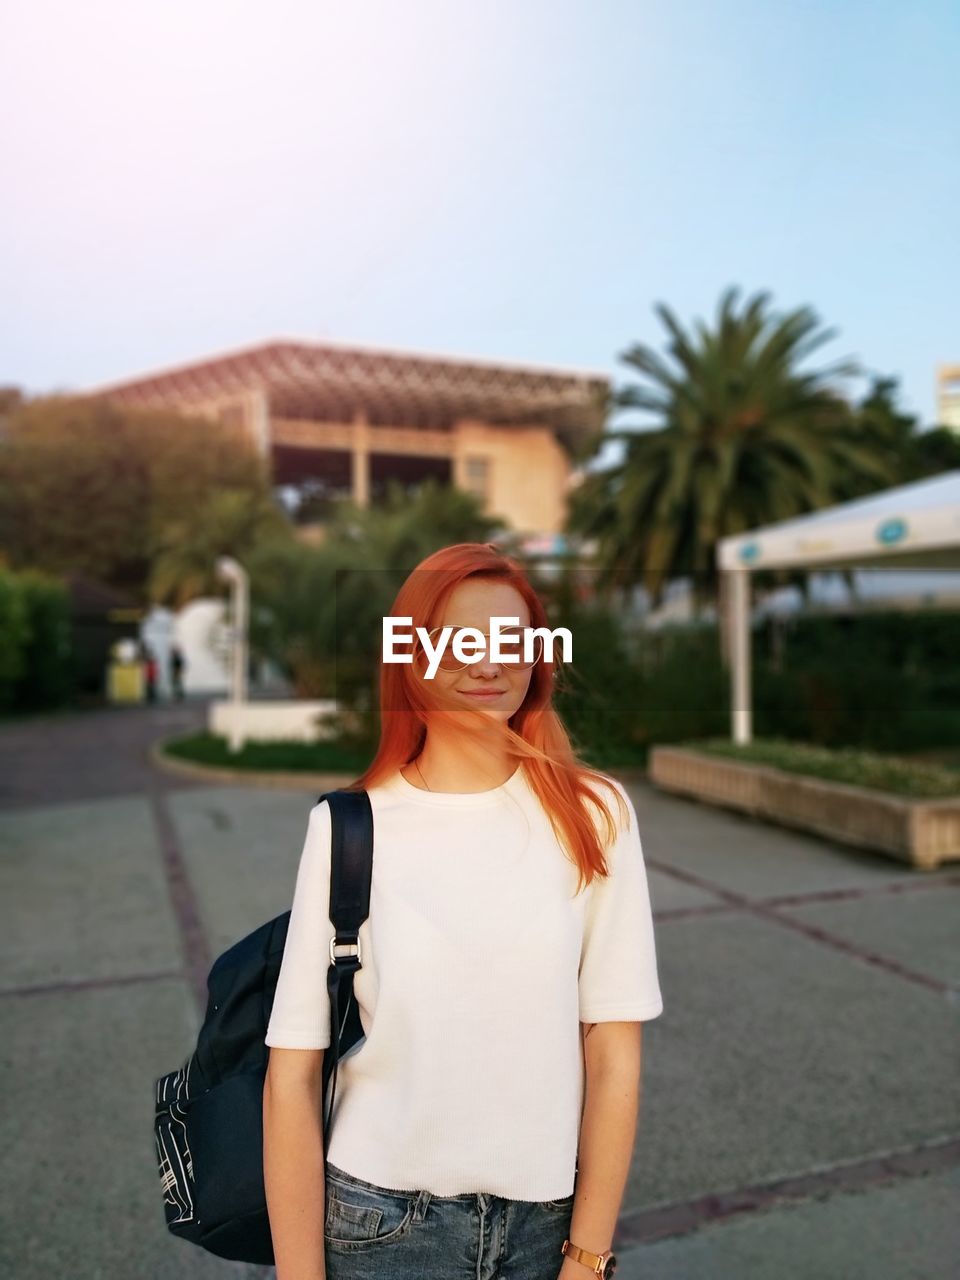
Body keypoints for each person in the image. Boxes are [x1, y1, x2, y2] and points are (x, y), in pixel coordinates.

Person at [262, 542, 663, 1280]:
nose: (488, 662)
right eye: (458, 639)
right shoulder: (352, 826)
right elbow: (291, 1071)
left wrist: (587, 1258)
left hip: (549, 1227)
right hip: (379, 1225)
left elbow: (613, 1051)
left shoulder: (595, 815)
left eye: (512, 639)